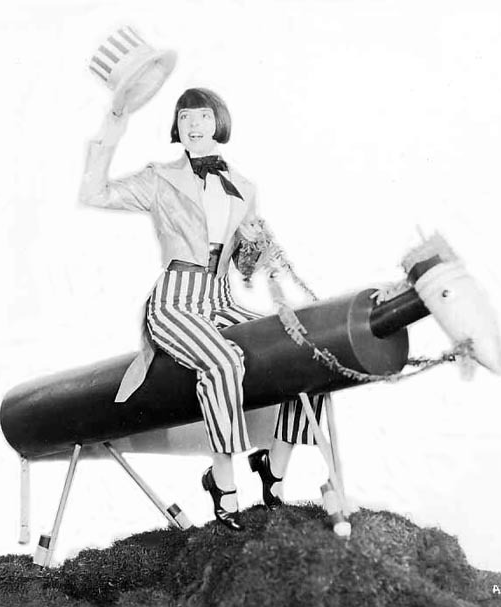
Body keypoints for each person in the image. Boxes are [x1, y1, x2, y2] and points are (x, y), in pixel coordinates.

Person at [80, 87, 324, 531]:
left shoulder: (244, 188)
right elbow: (94, 193)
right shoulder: (160, 178)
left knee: (307, 349)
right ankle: (223, 485)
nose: (194, 124)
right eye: (186, 117)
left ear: (219, 122)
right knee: (224, 361)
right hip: (176, 300)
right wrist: (115, 120)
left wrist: (256, 248)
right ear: (177, 126)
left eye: (203, 116)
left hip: (221, 298)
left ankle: (273, 469)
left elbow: (244, 267)